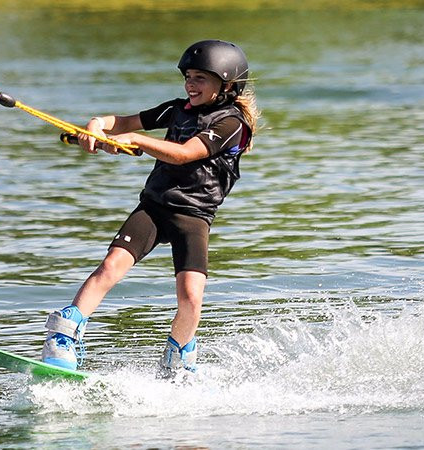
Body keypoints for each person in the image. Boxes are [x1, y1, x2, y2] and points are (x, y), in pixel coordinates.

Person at [41, 40, 260, 376]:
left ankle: (178, 358)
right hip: (155, 206)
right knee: (111, 266)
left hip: (194, 215)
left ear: (227, 85)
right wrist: (97, 127)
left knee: (190, 297)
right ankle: (63, 336)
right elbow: (123, 123)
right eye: (188, 76)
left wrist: (138, 141)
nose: (190, 84)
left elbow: (185, 153)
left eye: (200, 77)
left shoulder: (231, 125)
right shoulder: (176, 110)